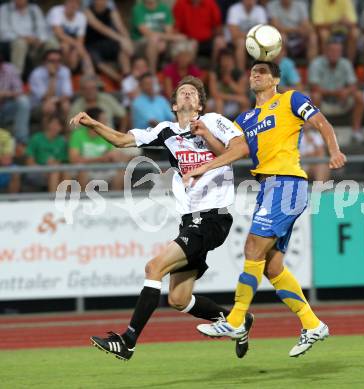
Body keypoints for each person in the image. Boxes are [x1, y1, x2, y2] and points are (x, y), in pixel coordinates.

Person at [69, 76, 253, 361]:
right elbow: (121, 140)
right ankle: (238, 320)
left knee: (153, 267)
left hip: (213, 217)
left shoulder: (214, 121)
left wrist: (205, 156)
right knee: (178, 299)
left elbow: (241, 149)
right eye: (183, 92)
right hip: (190, 221)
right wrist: (92, 124)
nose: (188, 95)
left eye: (193, 93)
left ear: (201, 103)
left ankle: (128, 340)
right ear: (174, 104)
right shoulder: (166, 131)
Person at [183, 61, 346, 357]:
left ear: (276, 79)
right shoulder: (244, 119)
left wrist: (333, 150)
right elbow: (233, 152)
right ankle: (312, 324)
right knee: (272, 266)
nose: (254, 75)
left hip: (287, 183)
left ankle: (235, 320)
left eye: (262, 72)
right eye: (252, 72)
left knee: (252, 248)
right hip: (267, 188)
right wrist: (207, 135)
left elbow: (322, 123)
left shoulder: (290, 99)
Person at [308, 39, 364, 143]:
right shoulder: (316, 63)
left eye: (338, 51)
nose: (335, 54)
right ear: (326, 51)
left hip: (342, 101)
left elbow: (354, 85)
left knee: (359, 95)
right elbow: (314, 87)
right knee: (315, 96)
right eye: (332, 51)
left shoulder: (346, 63)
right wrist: (337, 93)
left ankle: (356, 131)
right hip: (323, 102)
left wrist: (346, 92)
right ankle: (317, 131)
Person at [69, 107, 126, 190]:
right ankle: (83, 201)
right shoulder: (77, 134)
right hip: (85, 169)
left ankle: (115, 200)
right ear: (93, 121)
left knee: (121, 171)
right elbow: (74, 159)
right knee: (82, 171)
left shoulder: (107, 135)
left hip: (103, 169)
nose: (106, 123)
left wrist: (114, 157)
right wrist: (100, 159)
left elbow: (112, 156)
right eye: (103, 120)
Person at [84, 0, 133, 82]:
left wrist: (128, 40)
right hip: (91, 43)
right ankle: (120, 81)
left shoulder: (109, 8)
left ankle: (127, 78)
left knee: (123, 50)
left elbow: (120, 25)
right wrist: (121, 39)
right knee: (98, 62)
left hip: (108, 41)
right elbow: (98, 26)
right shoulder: (87, 8)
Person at [131, 0, 184, 72]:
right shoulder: (138, 9)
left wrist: (164, 40)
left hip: (162, 39)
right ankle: (152, 74)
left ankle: (176, 74)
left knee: (184, 43)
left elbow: (169, 30)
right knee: (154, 40)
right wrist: (169, 38)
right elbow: (146, 33)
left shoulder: (164, 8)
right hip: (141, 41)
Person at [0, 0, 48, 76]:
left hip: (34, 42)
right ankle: (16, 78)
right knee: (20, 44)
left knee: (50, 43)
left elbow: (42, 29)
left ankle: (45, 76)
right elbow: (3, 32)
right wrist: (24, 38)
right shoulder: (4, 9)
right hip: (11, 43)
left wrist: (40, 39)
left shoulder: (34, 9)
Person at [47, 0, 94, 75]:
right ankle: (64, 72)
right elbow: (59, 34)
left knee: (79, 53)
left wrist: (75, 51)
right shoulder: (56, 11)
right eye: (71, 2)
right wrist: (77, 47)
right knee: (65, 47)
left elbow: (80, 40)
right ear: (65, 2)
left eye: (76, 3)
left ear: (79, 6)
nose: (73, 4)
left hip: (71, 43)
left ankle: (91, 75)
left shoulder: (82, 17)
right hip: (52, 40)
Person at [25, 115, 69, 192]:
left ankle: (68, 201)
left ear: (61, 128)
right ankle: (53, 201)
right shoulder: (36, 138)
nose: (55, 127)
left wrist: (53, 164)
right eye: (53, 123)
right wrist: (44, 168)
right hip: (37, 170)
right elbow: (29, 163)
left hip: (55, 169)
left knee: (65, 172)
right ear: (48, 124)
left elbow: (61, 161)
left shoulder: (62, 142)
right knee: (54, 172)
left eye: (59, 125)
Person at [28, 49, 73, 119]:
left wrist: (56, 100)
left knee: (66, 106)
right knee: (49, 107)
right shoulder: (36, 74)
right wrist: (53, 77)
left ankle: (67, 129)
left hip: (58, 101)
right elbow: (45, 97)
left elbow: (67, 94)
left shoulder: (64, 71)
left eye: (58, 61)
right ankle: (47, 130)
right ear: (44, 62)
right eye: (52, 61)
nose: (56, 63)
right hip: (38, 106)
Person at [226, 0, 268, 70]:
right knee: (241, 43)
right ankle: (241, 73)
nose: (250, 1)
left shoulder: (260, 10)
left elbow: (263, 32)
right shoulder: (234, 9)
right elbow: (234, 34)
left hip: (254, 40)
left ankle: (264, 73)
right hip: (236, 41)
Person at [208, 48, 249, 119]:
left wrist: (230, 82)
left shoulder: (239, 74)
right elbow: (214, 94)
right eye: (224, 59)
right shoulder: (214, 73)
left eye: (229, 59)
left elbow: (242, 92)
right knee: (219, 102)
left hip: (232, 102)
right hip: (216, 102)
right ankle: (218, 127)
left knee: (244, 101)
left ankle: (243, 127)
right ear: (219, 61)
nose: (227, 62)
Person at [0, 53, 31, 144]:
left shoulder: (9, 69)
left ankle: (21, 140)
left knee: (23, 101)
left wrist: (5, 94)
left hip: (6, 107)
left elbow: (19, 91)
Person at [0, 128, 20, 193]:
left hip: (4, 167)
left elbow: (7, 160)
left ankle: (13, 201)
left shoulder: (5, 135)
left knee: (15, 169)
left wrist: (3, 158)